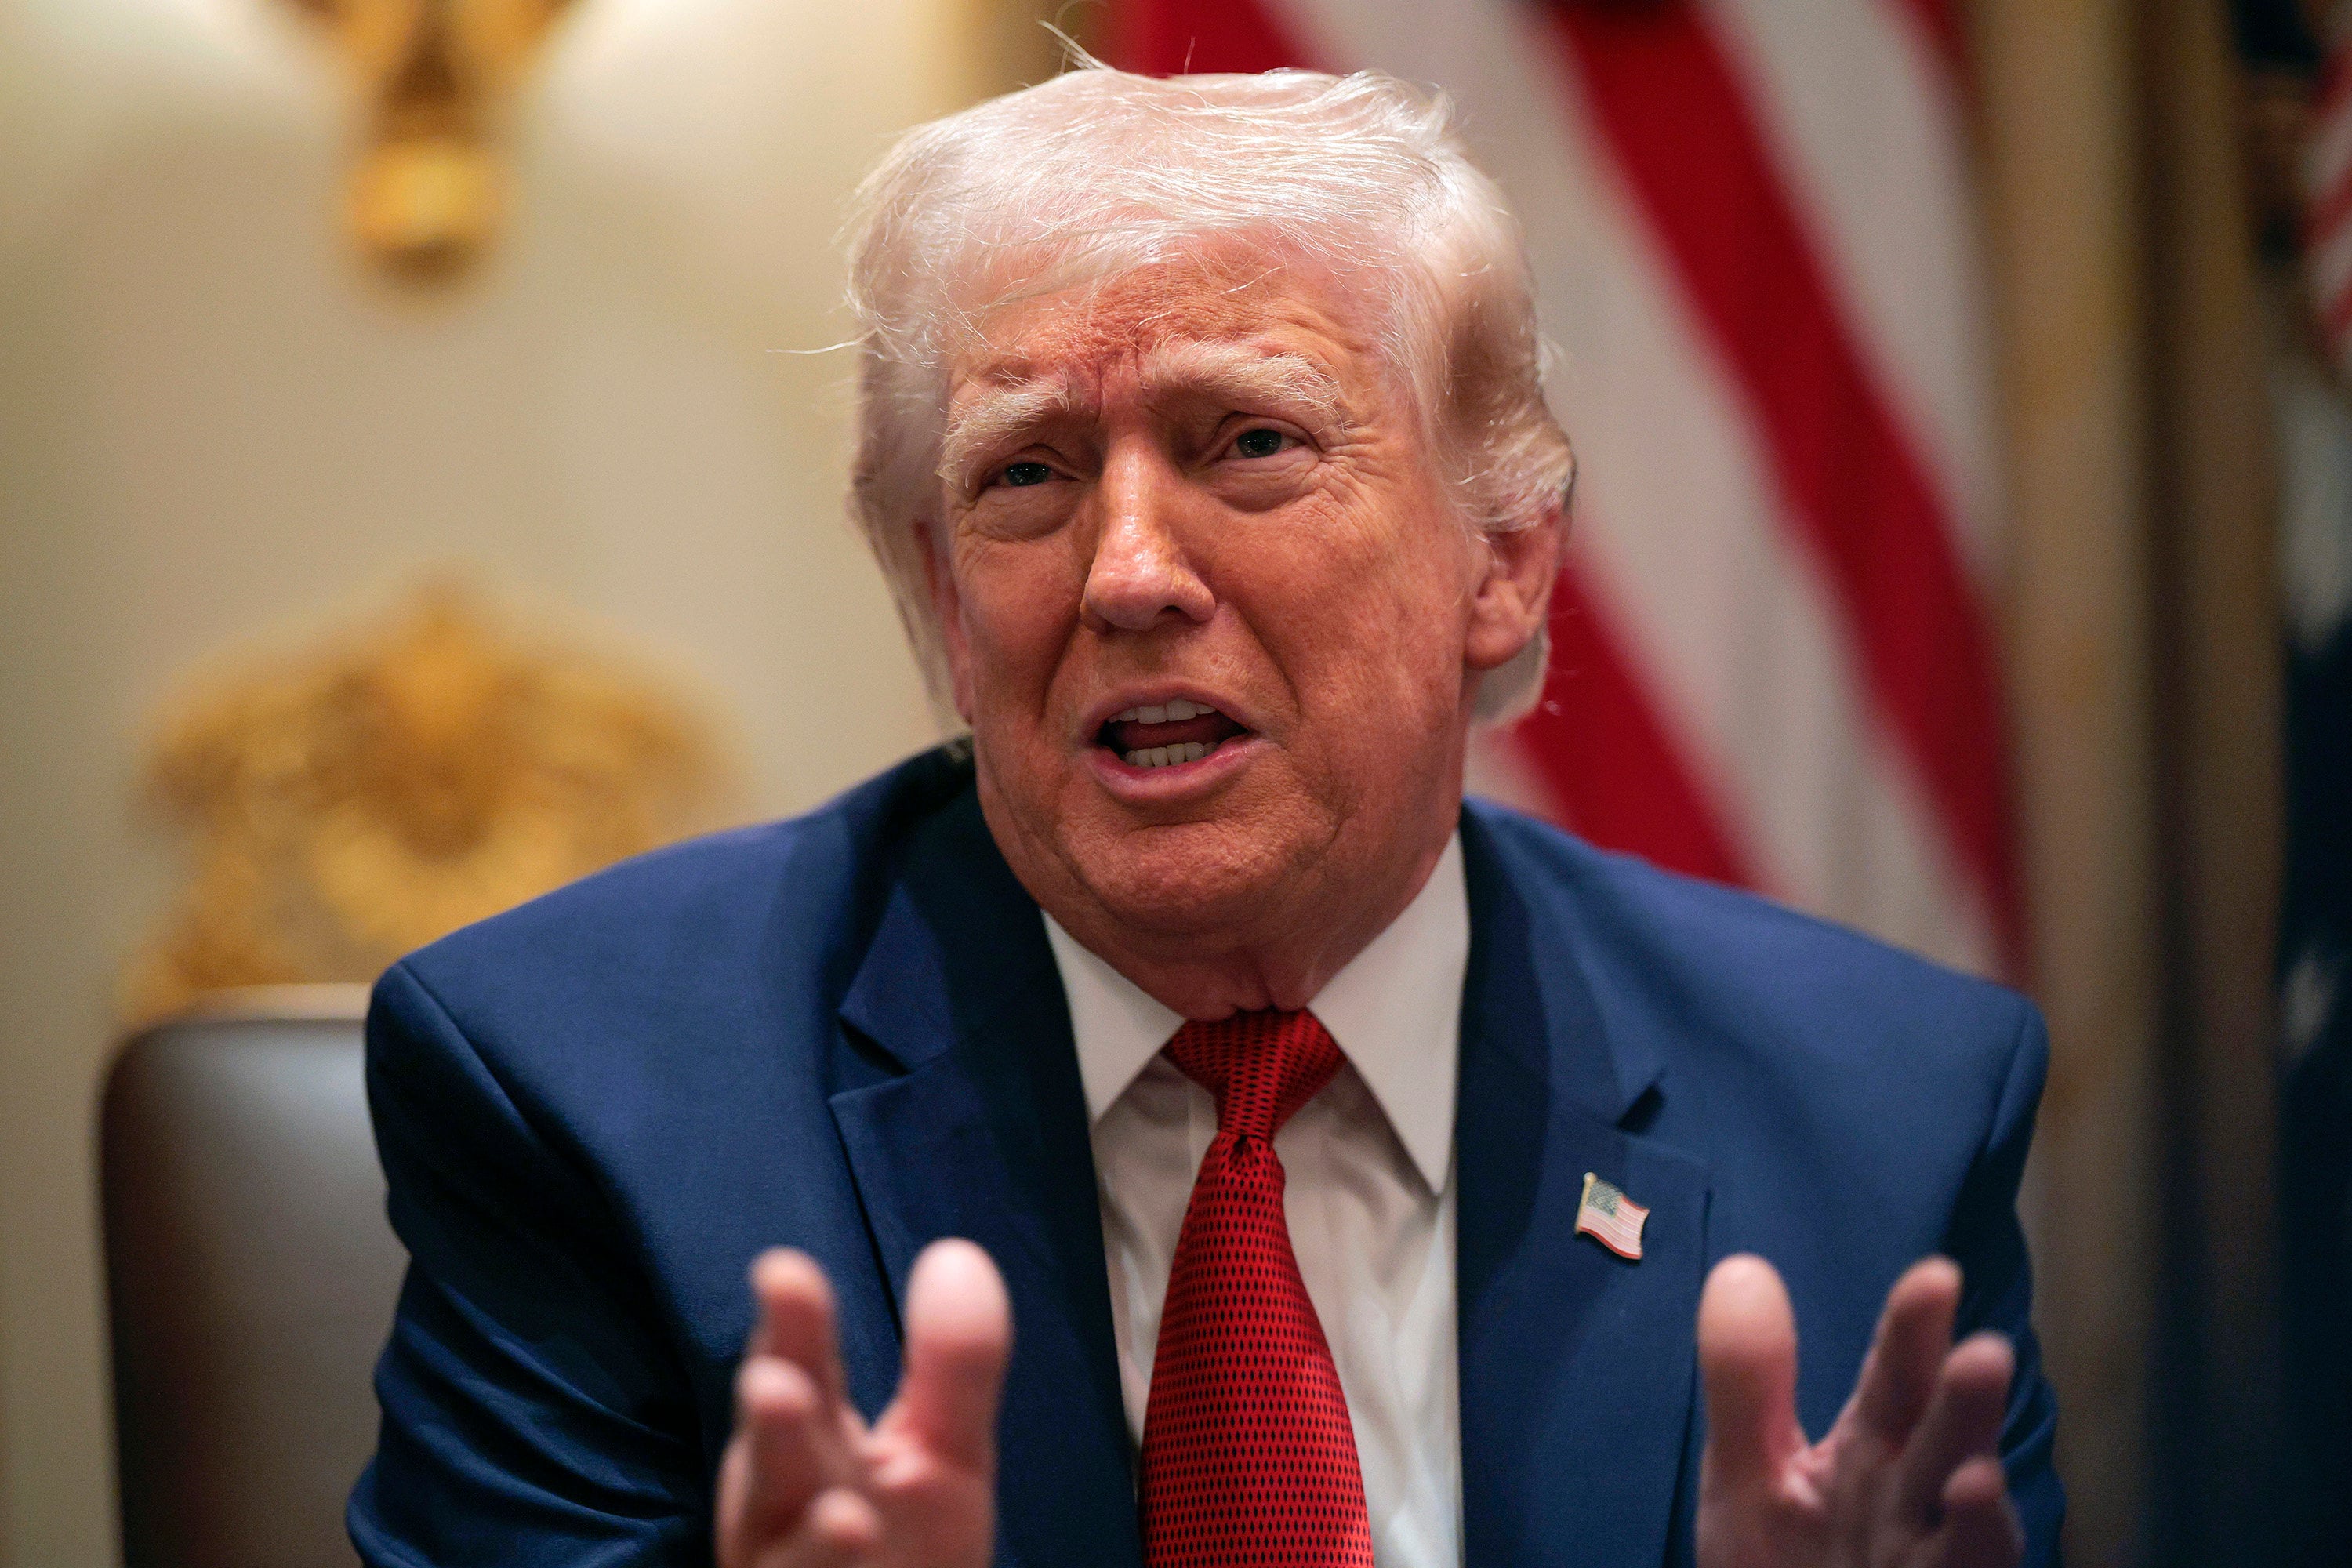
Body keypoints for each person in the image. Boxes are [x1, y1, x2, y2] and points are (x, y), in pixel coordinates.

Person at [349, 64, 2060, 1568]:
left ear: (1506, 559)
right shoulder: (579, 1105)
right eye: (1026, 472)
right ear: (947, 602)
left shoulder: (1879, 1121)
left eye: (1248, 441)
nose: (1130, 574)